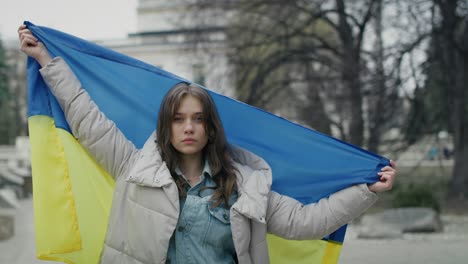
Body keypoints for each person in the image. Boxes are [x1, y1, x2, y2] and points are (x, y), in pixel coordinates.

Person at [18, 24, 396, 264]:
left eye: (198, 119)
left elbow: (305, 222)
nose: (188, 128)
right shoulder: (134, 167)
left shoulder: (246, 185)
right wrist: (48, 60)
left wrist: (366, 189)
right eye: (178, 119)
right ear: (166, 128)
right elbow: (86, 119)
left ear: (211, 129)